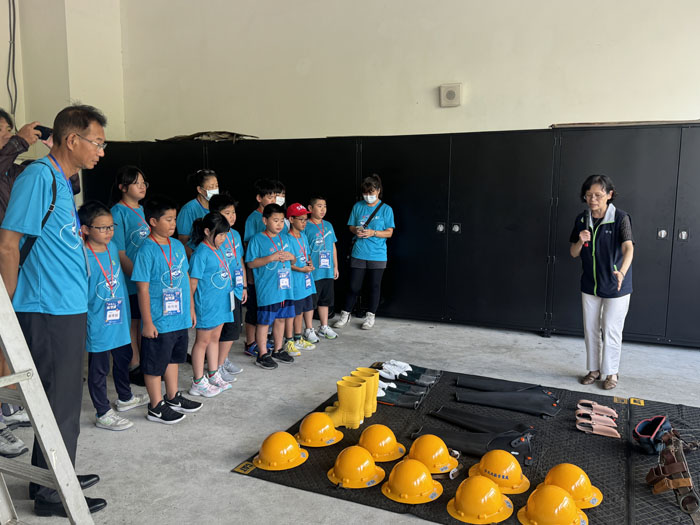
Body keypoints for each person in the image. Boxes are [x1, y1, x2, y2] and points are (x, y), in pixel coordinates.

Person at [0, 104, 107, 516]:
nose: (100, 151)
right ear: (72, 139)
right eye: (97, 142)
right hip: (45, 309)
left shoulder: (62, 182)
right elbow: (8, 244)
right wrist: (5, 314)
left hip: (65, 306)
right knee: (60, 402)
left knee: (60, 401)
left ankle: (53, 475)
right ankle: (51, 495)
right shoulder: (38, 177)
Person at [131, 196, 202, 424]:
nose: (173, 224)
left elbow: (185, 282)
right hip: (159, 320)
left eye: (174, 219)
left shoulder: (178, 246)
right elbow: (142, 289)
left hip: (179, 317)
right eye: (168, 220)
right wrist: (148, 322)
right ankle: (155, 406)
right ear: (152, 221)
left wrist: (190, 308)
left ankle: (172, 397)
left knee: (173, 359)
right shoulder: (146, 250)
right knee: (153, 364)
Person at [79, 201, 149, 431]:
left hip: (119, 316)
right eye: (102, 228)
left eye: (111, 227)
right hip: (97, 320)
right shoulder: (82, 255)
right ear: (86, 229)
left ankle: (125, 397)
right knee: (99, 367)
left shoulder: (112, 247)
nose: (109, 232)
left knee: (123, 356)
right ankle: (102, 412)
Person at [569, 174, 634, 390]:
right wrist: (581, 240)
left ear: (609, 195)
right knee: (591, 328)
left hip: (616, 285)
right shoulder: (582, 219)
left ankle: (611, 373)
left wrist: (622, 272)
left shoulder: (620, 218)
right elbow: (573, 252)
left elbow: (628, 247)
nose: (593, 199)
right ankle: (594, 370)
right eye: (588, 195)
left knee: (611, 328)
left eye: (598, 194)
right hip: (590, 284)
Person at [334, 174, 395, 330]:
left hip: (378, 254)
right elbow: (351, 226)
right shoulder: (358, 207)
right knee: (353, 286)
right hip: (359, 252)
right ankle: (345, 314)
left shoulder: (386, 209)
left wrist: (373, 232)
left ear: (378, 191)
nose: (368, 196)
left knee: (374, 286)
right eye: (366, 193)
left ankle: (370, 316)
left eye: (371, 192)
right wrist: (357, 230)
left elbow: (389, 232)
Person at [110, 165, 150, 386]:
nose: (142, 186)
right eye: (136, 183)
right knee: (133, 322)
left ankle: (145, 362)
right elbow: (120, 252)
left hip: (146, 279)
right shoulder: (118, 212)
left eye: (144, 182)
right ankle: (134, 365)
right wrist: (137, 276)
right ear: (123, 187)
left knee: (144, 320)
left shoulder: (143, 210)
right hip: (131, 279)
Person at [188, 212, 235, 397]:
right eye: (221, 234)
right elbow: (193, 284)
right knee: (202, 341)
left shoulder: (218, 248)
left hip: (221, 302)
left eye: (225, 234)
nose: (224, 238)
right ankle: (198, 382)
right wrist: (191, 308)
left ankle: (213, 374)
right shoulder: (201, 253)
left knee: (215, 338)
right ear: (207, 231)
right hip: (206, 305)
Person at [245, 203, 296, 370]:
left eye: (282, 220)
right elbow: (251, 263)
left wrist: (292, 257)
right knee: (264, 322)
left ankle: (278, 349)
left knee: (281, 319)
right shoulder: (257, 239)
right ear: (265, 220)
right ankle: (262, 353)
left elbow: (294, 260)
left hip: (285, 288)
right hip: (268, 290)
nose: (279, 224)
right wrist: (270, 258)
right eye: (275, 220)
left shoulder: (286, 238)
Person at [242, 179, 281, 358]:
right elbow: (250, 247)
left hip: (271, 275)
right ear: (259, 198)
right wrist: (249, 276)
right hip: (256, 274)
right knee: (254, 309)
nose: (274, 198)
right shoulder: (254, 218)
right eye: (269, 195)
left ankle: (263, 340)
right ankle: (250, 342)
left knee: (267, 310)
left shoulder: (276, 216)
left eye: (275, 195)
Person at [209, 193, 246, 379]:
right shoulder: (211, 237)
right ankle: (216, 366)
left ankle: (222, 361)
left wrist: (244, 286)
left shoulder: (236, 235)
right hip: (218, 291)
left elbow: (239, 260)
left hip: (235, 288)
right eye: (227, 213)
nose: (232, 216)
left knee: (232, 329)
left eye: (233, 212)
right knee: (218, 331)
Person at [305, 196, 339, 339]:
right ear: (310, 208)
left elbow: (332, 246)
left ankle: (324, 327)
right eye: (319, 206)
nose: (323, 209)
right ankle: (309, 329)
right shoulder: (305, 225)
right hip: (314, 272)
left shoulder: (329, 225)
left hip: (327, 271)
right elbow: (302, 248)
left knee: (325, 300)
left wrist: (335, 266)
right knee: (311, 302)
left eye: (324, 206)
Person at [286, 203, 318, 351]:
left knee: (302, 310)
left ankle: (298, 337)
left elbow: (307, 254)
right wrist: (300, 268)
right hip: (295, 281)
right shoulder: (287, 239)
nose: (304, 223)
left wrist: (310, 263)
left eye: (306, 219)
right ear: (291, 219)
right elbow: (285, 263)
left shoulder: (304, 236)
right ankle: (289, 340)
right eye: (301, 220)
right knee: (293, 312)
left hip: (306, 280)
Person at [177, 169, 219, 257]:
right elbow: (183, 241)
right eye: (211, 187)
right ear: (200, 189)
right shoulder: (188, 209)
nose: (215, 190)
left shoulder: (217, 206)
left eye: (216, 186)